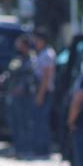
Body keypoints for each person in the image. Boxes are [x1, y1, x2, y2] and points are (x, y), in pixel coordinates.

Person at [2, 35, 37, 159]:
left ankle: (26, 148)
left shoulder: (31, 58)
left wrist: (21, 87)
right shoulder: (17, 58)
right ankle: (18, 147)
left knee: (25, 123)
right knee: (15, 122)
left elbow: (30, 76)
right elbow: (11, 71)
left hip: (25, 96)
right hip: (13, 94)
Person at [32, 29, 56, 157]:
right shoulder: (40, 53)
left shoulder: (47, 54)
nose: (35, 42)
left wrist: (40, 95)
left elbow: (46, 77)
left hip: (44, 91)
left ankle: (44, 149)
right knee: (38, 121)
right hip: (40, 90)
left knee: (42, 121)